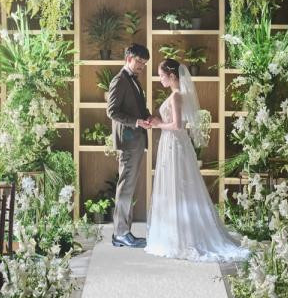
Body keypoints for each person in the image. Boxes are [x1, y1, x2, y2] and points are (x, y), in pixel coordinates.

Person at [144, 59, 249, 262]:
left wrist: (157, 124)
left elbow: (177, 125)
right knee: (177, 185)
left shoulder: (176, 96)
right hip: (173, 144)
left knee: (178, 186)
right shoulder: (177, 95)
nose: (160, 79)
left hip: (174, 143)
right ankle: (175, 233)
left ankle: (181, 237)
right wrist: (157, 123)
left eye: (162, 75)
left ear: (172, 76)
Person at [106, 44, 154, 248]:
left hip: (136, 141)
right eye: (139, 61)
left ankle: (124, 232)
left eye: (144, 63)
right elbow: (112, 111)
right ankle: (120, 233)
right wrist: (136, 122)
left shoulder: (133, 80)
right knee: (125, 187)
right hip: (128, 142)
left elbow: (137, 108)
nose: (142, 66)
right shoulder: (119, 80)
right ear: (128, 59)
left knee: (128, 187)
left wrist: (147, 117)